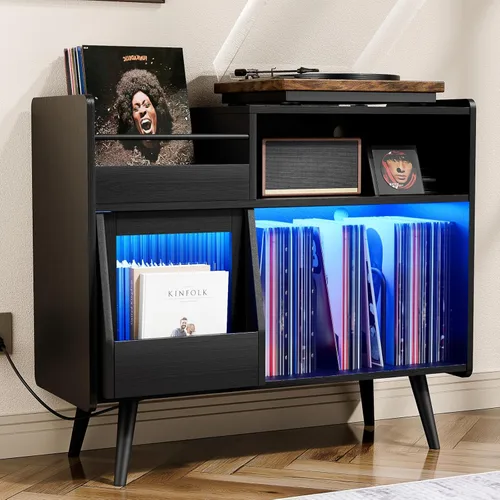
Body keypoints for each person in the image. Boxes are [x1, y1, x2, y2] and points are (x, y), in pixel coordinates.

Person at [115, 69, 173, 162]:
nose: (142, 111)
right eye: (136, 109)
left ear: (157, 111)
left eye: (146, 105)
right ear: (131, 119)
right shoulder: (123, 160)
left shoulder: (179, 148)